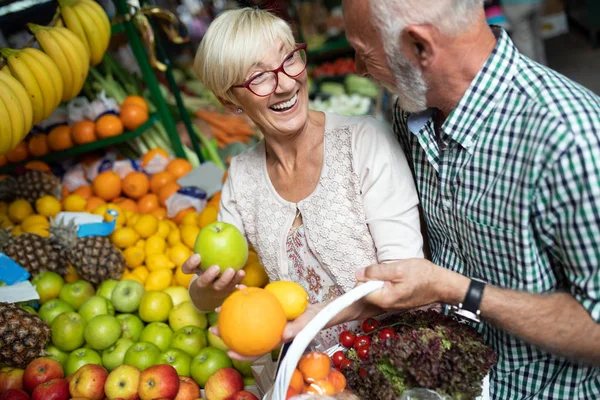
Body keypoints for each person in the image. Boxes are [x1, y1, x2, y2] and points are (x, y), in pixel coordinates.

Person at [339, 0, 600, 398]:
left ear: (419, 47)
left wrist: (457, 288)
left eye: (364, 51)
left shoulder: (570, 140)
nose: (358, 67)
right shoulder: (410, 115)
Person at [183, 7, 423, 354]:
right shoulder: (243, 177)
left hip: (397, 353)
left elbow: (406, 280)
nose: (286, 83)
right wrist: (209, 287)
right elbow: (205, 299)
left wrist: (319, 316)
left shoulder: (363, 143)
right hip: (314, 376)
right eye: (259, 77)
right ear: (229, 99)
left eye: (289, 60)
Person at [501, 0, 547, 64]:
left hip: (514, 4)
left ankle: (532, 71)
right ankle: (543, 70)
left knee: (524, 41)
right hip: (536, 3)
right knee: (537, 38)